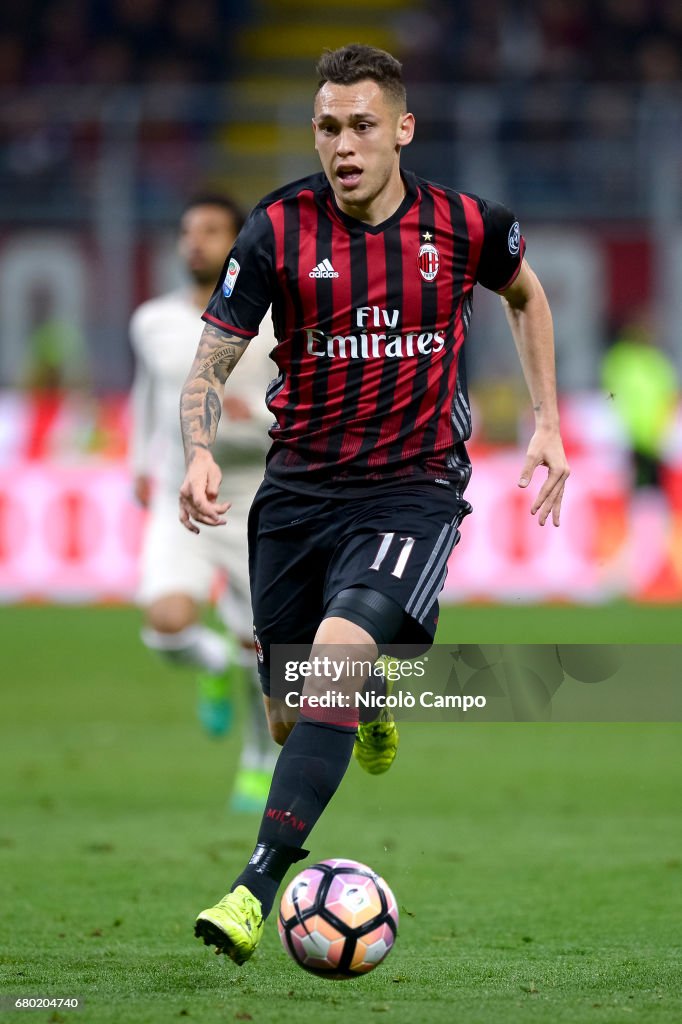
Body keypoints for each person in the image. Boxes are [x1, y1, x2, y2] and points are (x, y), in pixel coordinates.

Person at [179, 44, 570, 964]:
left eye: (361, 126)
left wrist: (547, 421)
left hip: (411, 490)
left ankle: (254, 886)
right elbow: (215, 353)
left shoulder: (465, 224)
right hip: (298, 492)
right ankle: (370, 696)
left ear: (401, 129)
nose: (343, 145)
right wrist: (198, 447)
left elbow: (526, 293)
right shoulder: (277, 230)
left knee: (333, 664)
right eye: (327, 127)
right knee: (289, 707)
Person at [129, 193, 277, 812]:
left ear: (237, 242)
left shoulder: (274, 321)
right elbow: (151, 395)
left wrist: (258, 414)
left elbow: (303, 398)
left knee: (263, 648)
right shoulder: (153, 321)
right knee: (166, 622)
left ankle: (257, 760)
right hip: (181, 491)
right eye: (189, 231)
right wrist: (141, 460)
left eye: (212, 231)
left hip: (256, 496)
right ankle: (210, 661)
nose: (196, 242)